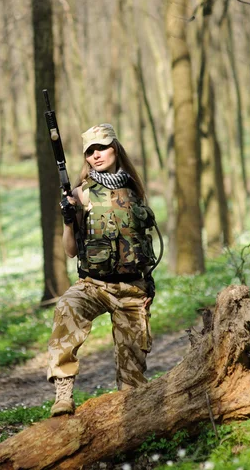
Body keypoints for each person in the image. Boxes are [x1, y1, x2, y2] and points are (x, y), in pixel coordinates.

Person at [47, 123, 157, 416]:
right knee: (67, 307)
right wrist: (68, 219)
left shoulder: (134, 191)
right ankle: (63, 391)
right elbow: (70, 250)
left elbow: (142, 243)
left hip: (133, 289)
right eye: (90, 151)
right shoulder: (81, 194)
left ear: (115, 148)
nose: (96, 155)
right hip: (94, 285)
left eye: (102, 147)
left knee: (133, 384)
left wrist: (150, 285)